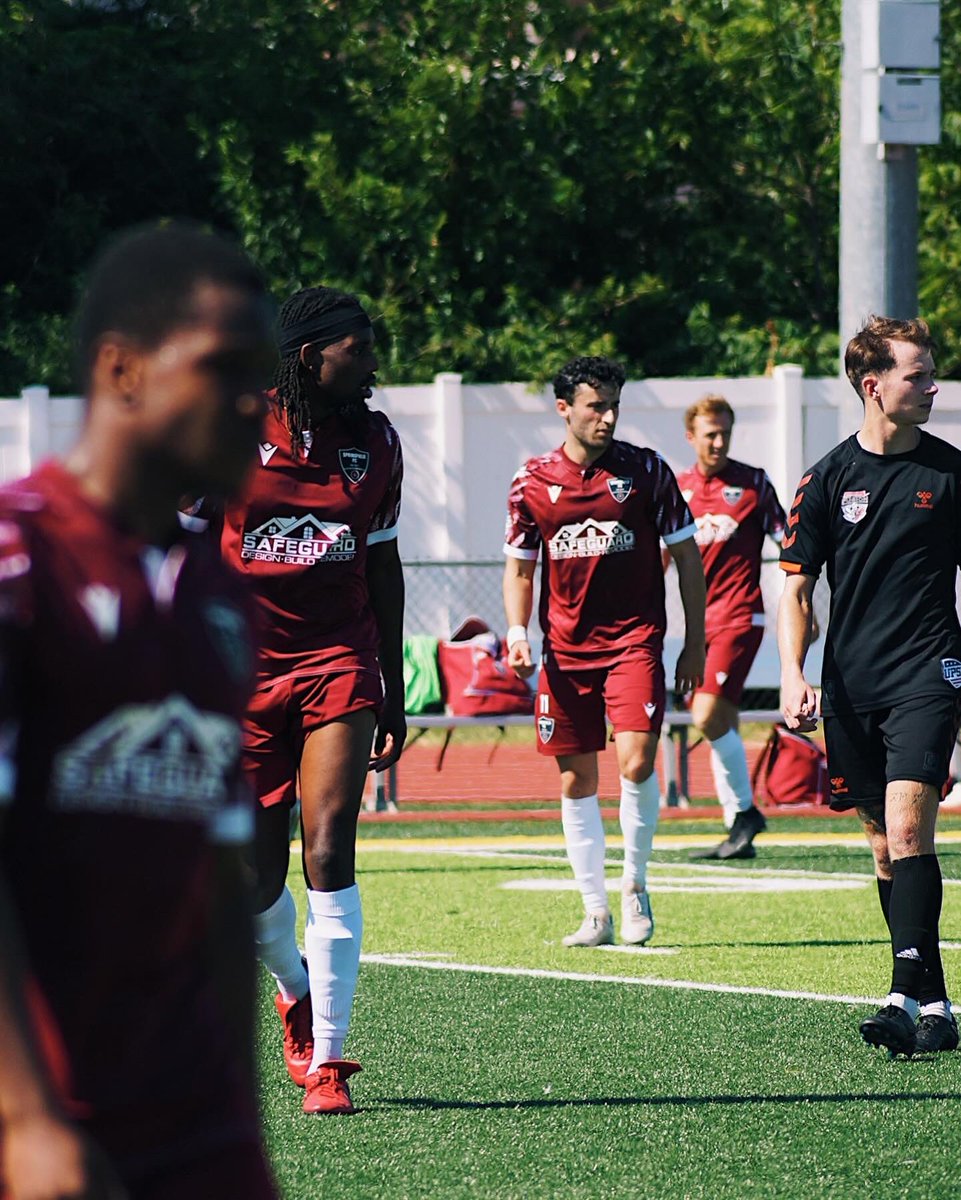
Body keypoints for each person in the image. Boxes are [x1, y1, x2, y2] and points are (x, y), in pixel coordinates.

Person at [0, 223, 279, 1198]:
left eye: (263, 374)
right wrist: (26, 1121)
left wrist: (241, 1129)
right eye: (224, 368)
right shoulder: (19, 561)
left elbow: (219, 887)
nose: (255, 403)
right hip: (41, 1116)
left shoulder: (221, 598)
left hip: (190, 1122)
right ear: (121, 371)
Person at [211, 286, 406, 1116]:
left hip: (338, 661)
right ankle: (293, 987)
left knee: (327, 846)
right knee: (252, 876)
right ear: (307, 357)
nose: (372, 363)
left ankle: (326, 1061)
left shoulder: (377, 442)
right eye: (357, 350)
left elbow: (383, 564)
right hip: (239, 674)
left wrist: (390, 685)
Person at [779, 315, 961, 1057]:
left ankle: (897, 997)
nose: (933, 387)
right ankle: (937, 1006)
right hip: (849, 686)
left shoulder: (951, 474)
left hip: (928, 673)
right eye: (918, 375)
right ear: (872, 385)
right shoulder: (825, 478)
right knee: (886, 850)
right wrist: (792, 674)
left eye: (931, 373)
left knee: (912, 830)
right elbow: (796, 590)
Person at [503, 356, 705, 948]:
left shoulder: (647, 470)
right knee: (576, 778)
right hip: (565, 654)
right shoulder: (530, 480)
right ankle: (595, 911)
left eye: (615, 405)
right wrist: (516, 632)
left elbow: (687, 558)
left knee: (637, 762)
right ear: (564, 409)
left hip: (634, 642)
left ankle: (634, 884)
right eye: (597, 406)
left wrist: (695, 641)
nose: (609, 417)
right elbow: (520, 569)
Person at [671, 395, 786, 859]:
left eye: (725, 434)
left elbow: (788, 542)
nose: (718, 442)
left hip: (741, 617)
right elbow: (659, 559)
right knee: (723, 719)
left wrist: (802, 599)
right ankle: (735, 829)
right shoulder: (678, 489)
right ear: (691, 436)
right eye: (710, 434)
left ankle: (744, 813)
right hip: (698, 628)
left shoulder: (753, 483)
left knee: (705, 715)